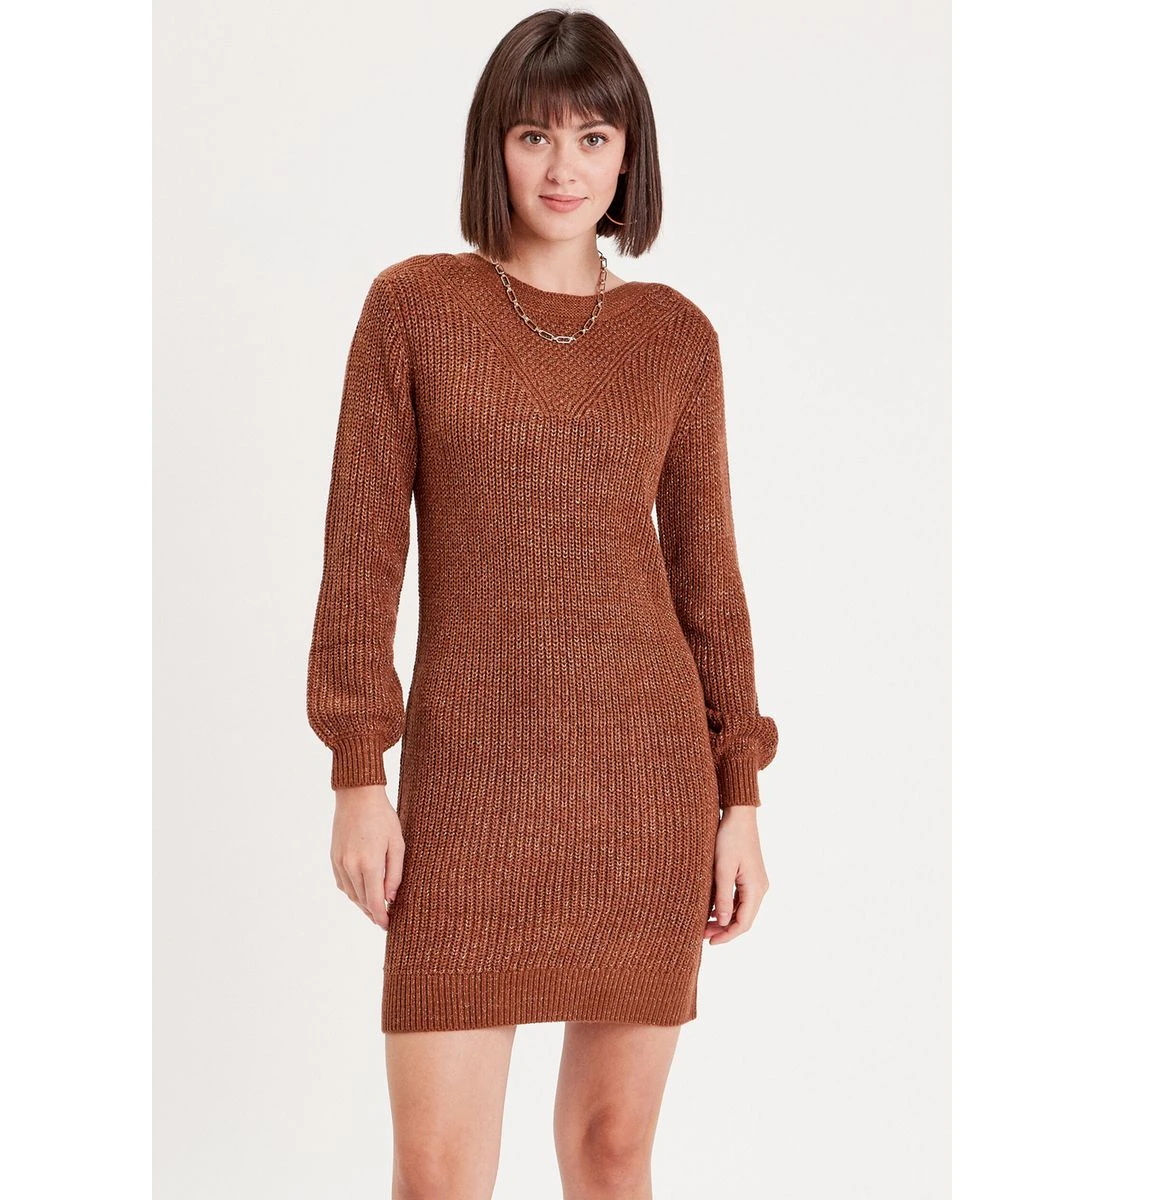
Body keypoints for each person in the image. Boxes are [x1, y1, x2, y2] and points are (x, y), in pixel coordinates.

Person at [306, 9, 779, 1197]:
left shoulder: (674, 338)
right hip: (468, 792)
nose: (563, 167)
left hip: (644, 789)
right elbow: (361, 554)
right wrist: (359, 771)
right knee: (437, 1171)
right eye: (534, 135)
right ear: (494, 148)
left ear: (629, 157)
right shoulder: (414, 309)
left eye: (593, 137)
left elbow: (708, 581)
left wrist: (740, 795)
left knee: (613, 1155)